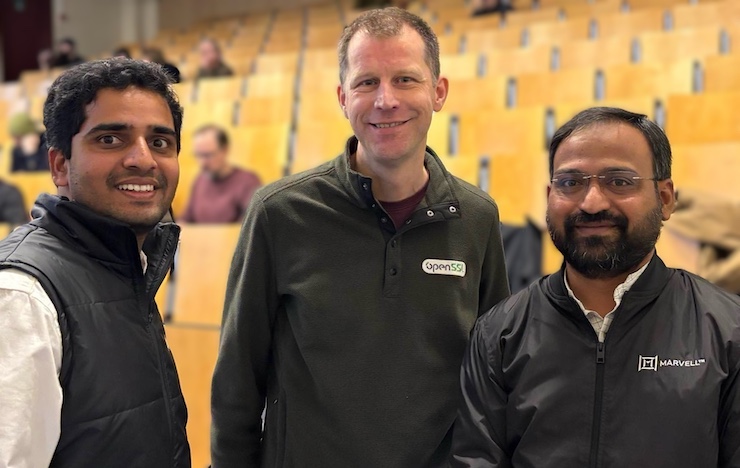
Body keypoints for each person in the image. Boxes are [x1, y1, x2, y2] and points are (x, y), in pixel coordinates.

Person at [211, 7, 510, 467]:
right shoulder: (279, 213)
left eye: (405, 79)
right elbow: (237, 378)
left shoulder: (477, 218)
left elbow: (489, 378)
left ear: (439, 91)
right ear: (342, 97)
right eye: (366, 82)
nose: (385, 100)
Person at [450, 107, 740, 467]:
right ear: (549, 197)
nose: (591, 203)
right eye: (570, 183)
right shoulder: (498, 335)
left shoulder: (728, 330)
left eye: (619, 181)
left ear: (665, 199)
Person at [0, 58, 191, 467]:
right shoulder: (22, 298)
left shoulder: (129, 263)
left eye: (160, 142)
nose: (144, 159)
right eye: (110, 140)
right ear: (59, 165)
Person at [180, 124, 262, 223]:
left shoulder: (248, 181)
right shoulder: (200, 179)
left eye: (208, 155)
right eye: (198, 155)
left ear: (224, 150)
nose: (202, 162)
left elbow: (249, 226)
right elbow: (187, 218)